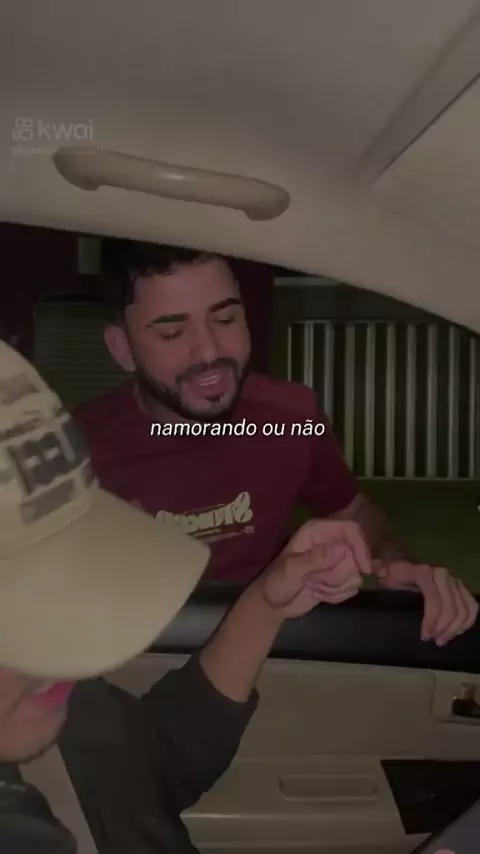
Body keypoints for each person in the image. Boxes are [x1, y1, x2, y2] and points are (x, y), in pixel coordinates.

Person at [0, 337, 372, 852]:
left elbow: (147, 769)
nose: (74, 627)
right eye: (19, 599)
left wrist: (266, 602)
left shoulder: (54, 694)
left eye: (70, 572)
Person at [74, 240, 478, 647]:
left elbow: (351, 508)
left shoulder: (291, 416)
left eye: (226, 319)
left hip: (274, 647)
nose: (210, 351)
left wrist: (395, 561)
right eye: (172, 333)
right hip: (138, 652)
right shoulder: (74, 452)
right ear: (123, 349)